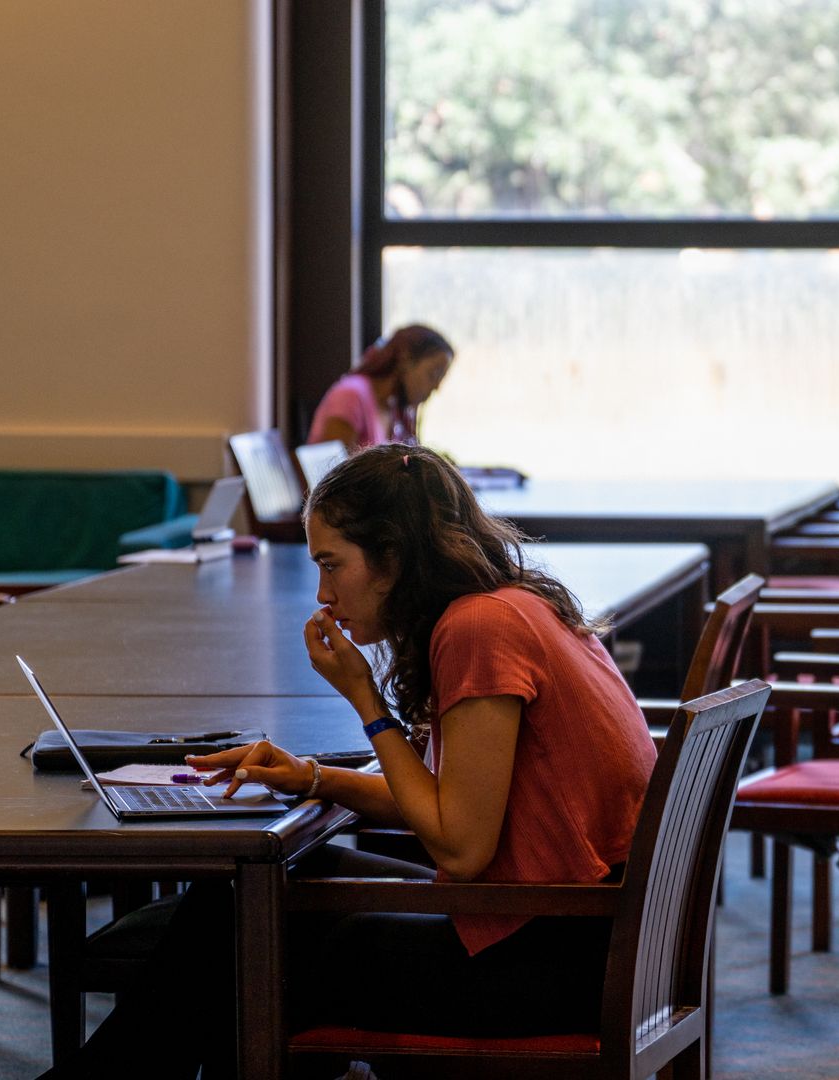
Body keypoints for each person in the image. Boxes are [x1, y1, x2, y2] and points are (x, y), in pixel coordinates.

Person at [41, 443, 655, 1079]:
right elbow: (454, 801)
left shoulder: (478, 630)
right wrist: (310, 776)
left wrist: (366, 698)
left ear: (392, 556)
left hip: (548, 957)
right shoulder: (509, 605)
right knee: (244, 899)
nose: (323, 593)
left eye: (332, 566)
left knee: (248, 943)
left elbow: (462, 847)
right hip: (577, 930)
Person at [307, 324, 454, 451]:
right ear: (405, 359)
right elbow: (333, 475)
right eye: (433, 374)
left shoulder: (396, 408)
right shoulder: (350, 396)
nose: (436, 387)